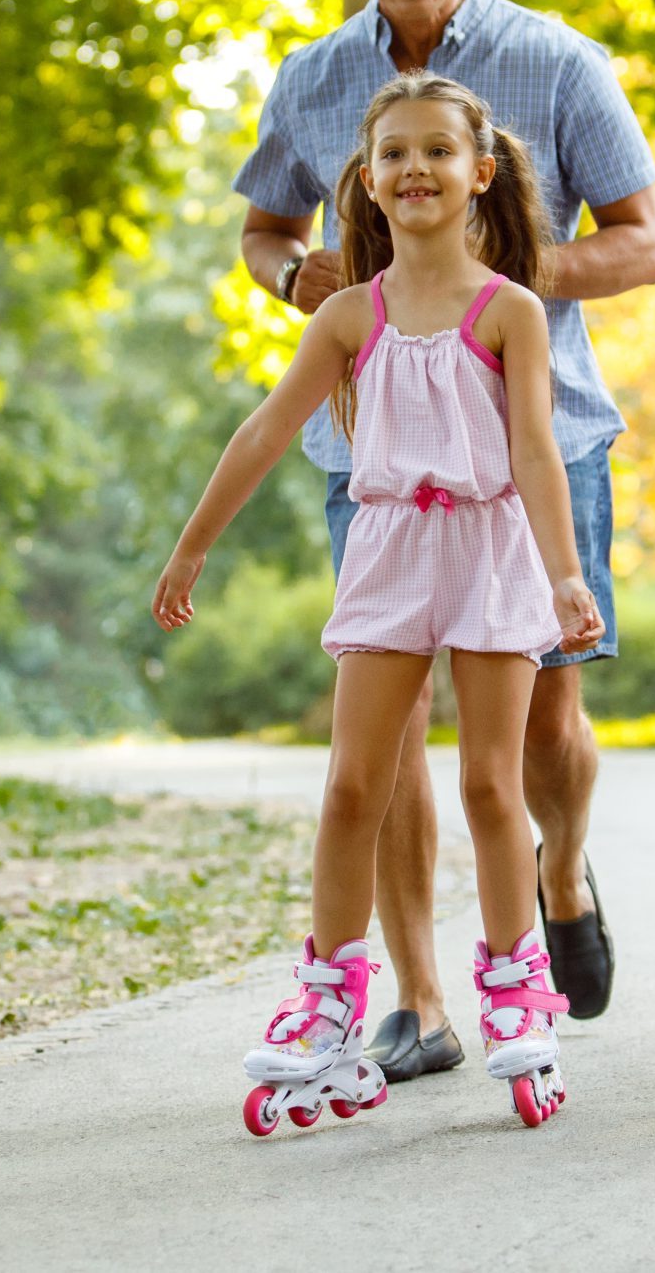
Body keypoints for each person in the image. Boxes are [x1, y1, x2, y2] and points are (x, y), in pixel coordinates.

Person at [233, 0, 655, 1077]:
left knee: (540, 732)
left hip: (540, 439)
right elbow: (265, 230)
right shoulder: (314, 79)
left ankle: (562, 873)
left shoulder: (557, 62)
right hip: (370, 454)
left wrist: (494, 286)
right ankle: (420, 999)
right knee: (388, 718)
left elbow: (641, 242)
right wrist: (291, 278)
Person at [157, 73, 606, 1135]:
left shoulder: (512, 313)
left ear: (479, 174)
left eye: (437, 152)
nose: (415, 169)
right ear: (366, 179)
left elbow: (538, 451)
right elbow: (266, 432)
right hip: (389, 548)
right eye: (393, 153)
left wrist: (565, 572)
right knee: (354, 783)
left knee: (493, 788)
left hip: (492, 547)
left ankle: (512, 995)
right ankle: (330, 1006)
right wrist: (191, 549)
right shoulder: (349, 315)